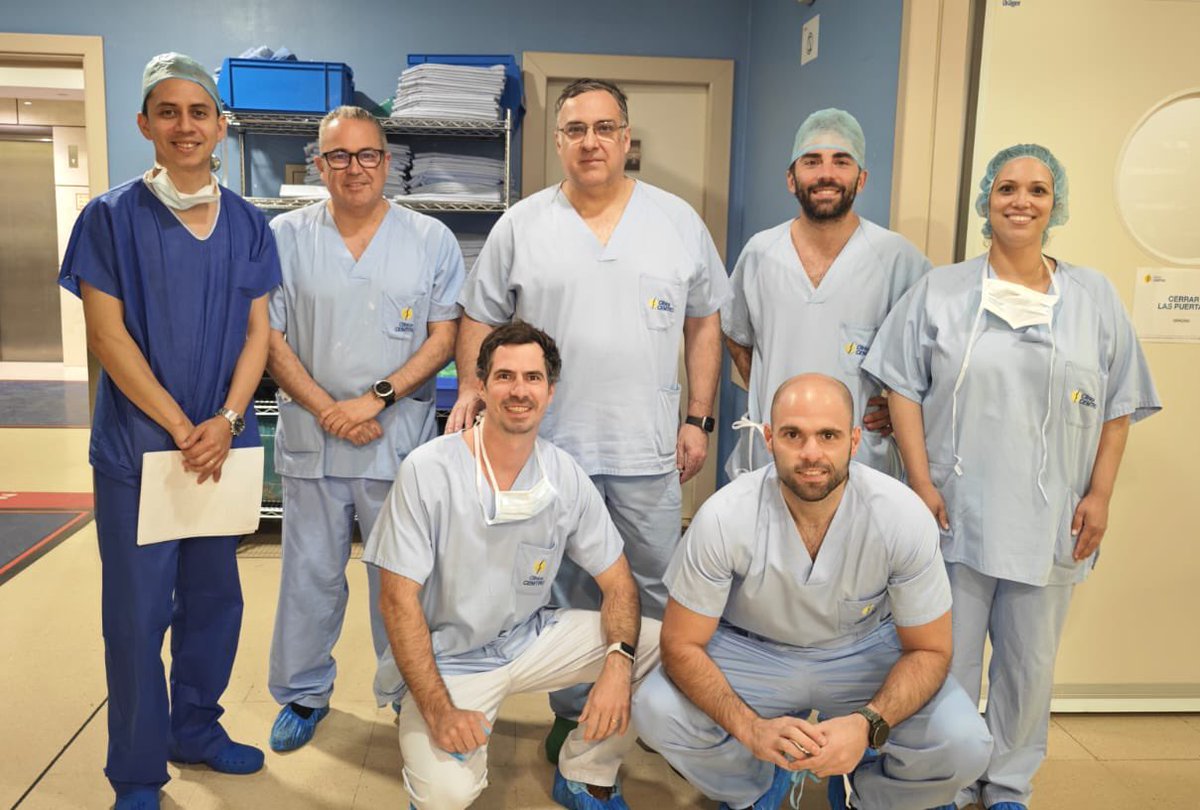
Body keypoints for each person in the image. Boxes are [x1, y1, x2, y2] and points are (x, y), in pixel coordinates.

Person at [863, 143, 1161, 810]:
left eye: (1036, 190)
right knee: (947, 661)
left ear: (1056, 204)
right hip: (955, 511)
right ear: (986, 202)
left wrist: (1101, 495)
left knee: (1029, 667)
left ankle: (1006, 787)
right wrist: (920, 483)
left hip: (1051, 518)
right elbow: (902, 387)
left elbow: (1118, 405)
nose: (1020, 201)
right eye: (1006, 188)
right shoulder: (941, 291)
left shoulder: (1093, 297)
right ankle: (946, 781)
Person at [449, 78, 730, 759]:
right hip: (551, 447)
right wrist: (472, 389)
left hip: (646, 446)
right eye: (576, 129)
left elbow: (704, 322)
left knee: (657, 582)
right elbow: (479, 316)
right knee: (567, 587)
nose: (591, 141)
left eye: (605, 128)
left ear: (627, 138)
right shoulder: (522, 226)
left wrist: (698, 418)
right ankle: (575, 711)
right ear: (558, 141)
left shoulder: (676, 222)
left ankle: (658, 709)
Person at [58, 53, 281, 810]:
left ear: (220, 127)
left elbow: (257, 334)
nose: (185, 126)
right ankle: (137, 772)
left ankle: (196, 729)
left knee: (215, 600)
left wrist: (226, 420)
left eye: (199, 112)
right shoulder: (110, 218)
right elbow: (107, 335)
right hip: (141, 449)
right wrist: (185, 425)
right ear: (145, 124)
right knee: (136, 615)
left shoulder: (248, 223)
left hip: (220, 446)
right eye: (168, 111)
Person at [631, 374, 991, 810]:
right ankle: (755, 782)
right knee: (655, 709)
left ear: (854, 440)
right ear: (769, 439)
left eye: (828, 435)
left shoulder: (901, 516)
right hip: (753, 653)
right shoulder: (724, 517)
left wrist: (868, 724)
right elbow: (680, 644)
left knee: (965, 742)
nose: (811, 453)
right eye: (792, 435)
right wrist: (750, 730)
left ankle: (870, 793)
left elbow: (931, 651)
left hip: (861, 653)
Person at [364, 322, 661, 809]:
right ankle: (419, 714)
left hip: (528, 639)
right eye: (504, 376)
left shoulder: (563, 475)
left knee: (657, 647)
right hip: (450, 658)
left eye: (532, 378)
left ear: (550, 391)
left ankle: (586, 771)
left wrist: (616, 662)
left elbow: (619, 584)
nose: (519, 390)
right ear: (481, 386)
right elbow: (396, 602)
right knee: (446, 795)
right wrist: (439, 710)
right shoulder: (428, 471)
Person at [265, 105, 465, 751]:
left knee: (401, 580)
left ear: (388, 160)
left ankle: (407, 692)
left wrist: (374, 401)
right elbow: (267, 335)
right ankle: (303, 692)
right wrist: (329, 409)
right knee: (309, 575)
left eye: (367, 154)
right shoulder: (284, 236)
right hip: (314, 436)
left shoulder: (429, 238)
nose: (355, 168)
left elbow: (445, 336)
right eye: (339, 156)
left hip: (394, 439)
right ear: (318, 164)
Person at [723, 109, 930, 479]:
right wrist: (766, 389)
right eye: (812, 161)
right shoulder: (760, 253)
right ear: (791, 179)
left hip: (860, 461)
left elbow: (932, 358)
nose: (826, 174)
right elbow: (734, 332)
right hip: (773, 455)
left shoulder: (898, 260)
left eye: (842, 161)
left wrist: (899, 409)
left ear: (861, 179)